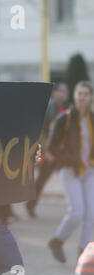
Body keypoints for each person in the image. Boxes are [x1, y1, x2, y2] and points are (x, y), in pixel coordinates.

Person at [47, 81, 94, 263]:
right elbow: (51, 147)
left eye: (85, 94)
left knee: (91, 214)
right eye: (79, 94)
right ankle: (57, 241)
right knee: (77, 213)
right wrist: (67, 160)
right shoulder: (65, 118)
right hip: (70, 170)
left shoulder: (92, 118)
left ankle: (84, 256)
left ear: (90, 97)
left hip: (89, 169)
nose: (82, 97)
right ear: (75, 96)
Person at [26, 82, 69, 218]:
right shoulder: (49, 108)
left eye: (65, 92)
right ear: (55, 93)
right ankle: (30, 205)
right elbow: (41, 131)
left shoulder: (65, 108)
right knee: (41, 180)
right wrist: (47, 151)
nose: (64, 94)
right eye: (61, 91)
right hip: (48, 153)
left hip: (61, 153)